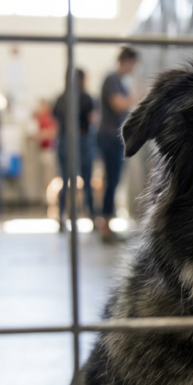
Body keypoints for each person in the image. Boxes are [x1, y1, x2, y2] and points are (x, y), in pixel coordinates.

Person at [96, 47, 142, 241]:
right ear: (127, 61)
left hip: (113, 138)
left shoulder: (116, 80)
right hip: (110, 137)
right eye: (134, 64)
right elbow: (118, 104)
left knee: (113, 181)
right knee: (111, 181)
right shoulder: (112, 79)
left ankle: (108, 223)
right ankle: (106, 226)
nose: (134, 68)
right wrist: (138, 96)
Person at [52, 68, 96, 227]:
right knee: (87, 181)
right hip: (82, 140)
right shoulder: (86, 98)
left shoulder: (60, 99)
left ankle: (62, 217)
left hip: (64, 140)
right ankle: (91, 216)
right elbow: (92, 120)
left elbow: (56, 120)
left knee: (64, 181)